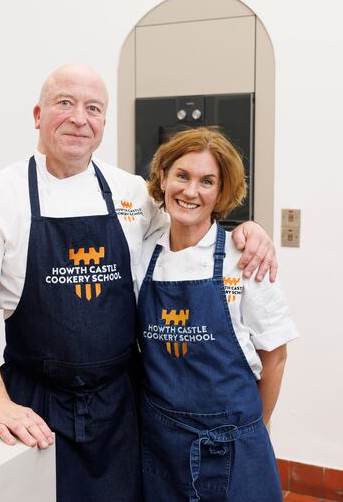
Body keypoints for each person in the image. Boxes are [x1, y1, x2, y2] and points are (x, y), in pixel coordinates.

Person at [0, 65, 278, 502]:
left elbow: (191, 223)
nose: (79, 118)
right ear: (38, 115)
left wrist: (246, 231)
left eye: (93, 108)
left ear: (102, 124)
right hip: (37, 404)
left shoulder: (131, 192)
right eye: (65, 103)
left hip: (120, 404)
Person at [136, 127, 298, 501]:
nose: (191, 191)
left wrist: (252, 429)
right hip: (161, 442)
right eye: (182, 176)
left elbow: (275, 357)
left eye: (207, 181)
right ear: (163, 178)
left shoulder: (246, 261)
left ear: (221, 192)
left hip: (233, 447)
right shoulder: (144, 255)